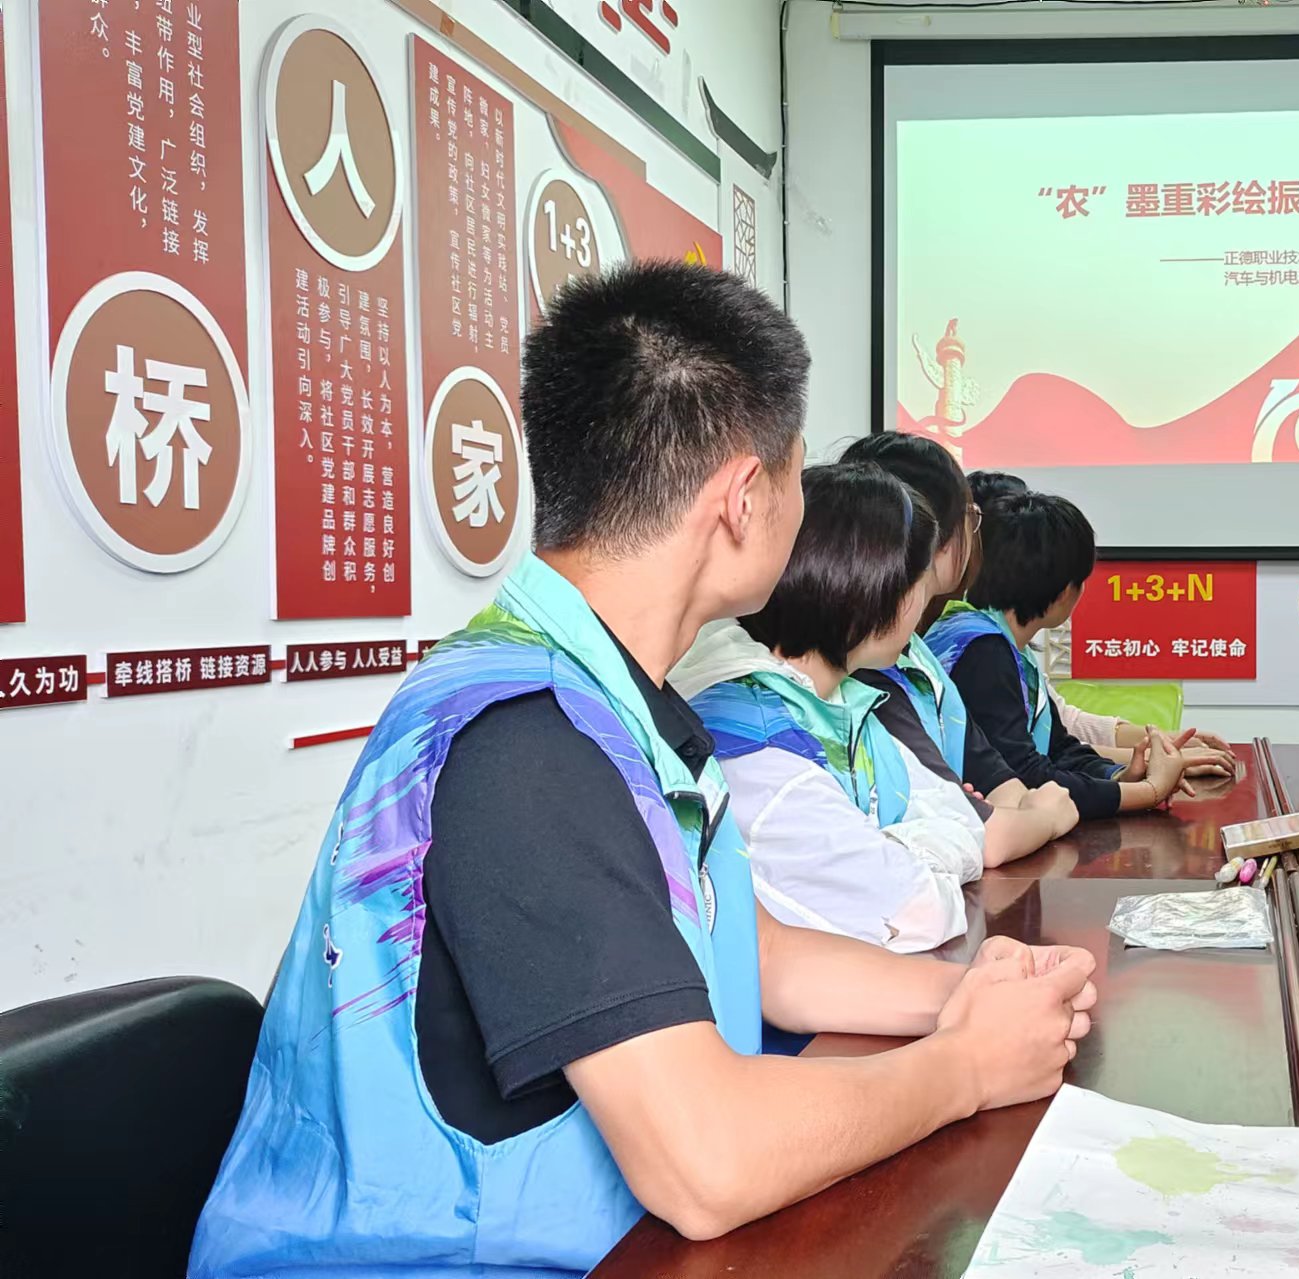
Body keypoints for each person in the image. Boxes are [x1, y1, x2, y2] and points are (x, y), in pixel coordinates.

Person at [190, 263, 1098, 1277]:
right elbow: (703, 1159)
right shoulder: (525, 737)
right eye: (797, 475)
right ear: (742, 499)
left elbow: (760, 957)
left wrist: (972, 993)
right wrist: (965, 1066)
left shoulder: (617, 701)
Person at [670, 464, 1073, 955]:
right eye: (921, 578)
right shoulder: (753, 735)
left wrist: (895, 845)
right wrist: (914, 847)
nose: (924, 601)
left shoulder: (845, 702)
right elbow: (918, 909)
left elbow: (962, 819)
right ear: (876, 589)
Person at [835, 433, 1078, 862]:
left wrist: (1015, 813)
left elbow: (996, 782)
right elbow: (987, 833)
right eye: (969, 514)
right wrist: (1043, 817)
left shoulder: (917, 653)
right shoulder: (872, 665)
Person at [930, 490, 1193, 818]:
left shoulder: (995, 639)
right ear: (1065, 591)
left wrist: (1121, 776)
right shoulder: (984, 651)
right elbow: (1027, 778)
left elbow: (1058, 747)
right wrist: (1147, 791)